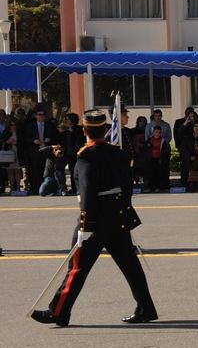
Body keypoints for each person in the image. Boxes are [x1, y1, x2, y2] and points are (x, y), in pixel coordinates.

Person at [31, 109, 158, 327]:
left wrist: (84, 227)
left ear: (84, 130)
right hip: (117, 217)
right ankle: (146, 308)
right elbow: (127, 186)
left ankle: (59, 312)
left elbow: (88, 194)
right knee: (130, 265)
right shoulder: (116, 154)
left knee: (77, 268)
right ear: (104, 130)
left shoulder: (86, 157)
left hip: (95, 221)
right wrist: (122, 209)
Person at [23, 108, 56, 194]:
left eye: (43, 115)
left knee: (46, 170)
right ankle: (34, 188)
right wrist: (33, 141)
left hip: (46, 150)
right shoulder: (30, 126)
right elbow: (26, 138)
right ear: (36, 116)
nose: (41, 116)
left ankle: (47, 188)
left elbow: (55, 137)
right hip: (35, 151)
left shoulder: (49, 125)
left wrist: (50, 139)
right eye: (39, 114)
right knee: (35, 170)